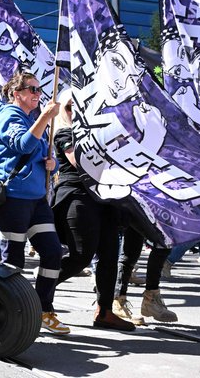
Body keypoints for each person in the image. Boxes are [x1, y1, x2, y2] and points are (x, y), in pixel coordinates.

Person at [0, 70, 68, 335]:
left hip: (36, 199)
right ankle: (11, 313)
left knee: (53, 252)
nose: (38, 94)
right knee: (14, 260)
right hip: (13, 197)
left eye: (38, 89)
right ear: (17, 93)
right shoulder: (7, 115)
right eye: (32, 89)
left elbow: (43, 155)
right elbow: (23, 145)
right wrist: (46, 117)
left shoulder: (34, 118)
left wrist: (52, 163)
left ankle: (44, 308)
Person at [51, 94, 134, 331]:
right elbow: (79, 161)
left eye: (80, 106)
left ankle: (104, 311)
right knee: (81, 255)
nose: (74, 111)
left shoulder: (97, 133)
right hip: (77, 195)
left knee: (109, 256)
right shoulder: (64, 133)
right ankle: (38, 290)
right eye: (69, 107)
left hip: (105, 198)